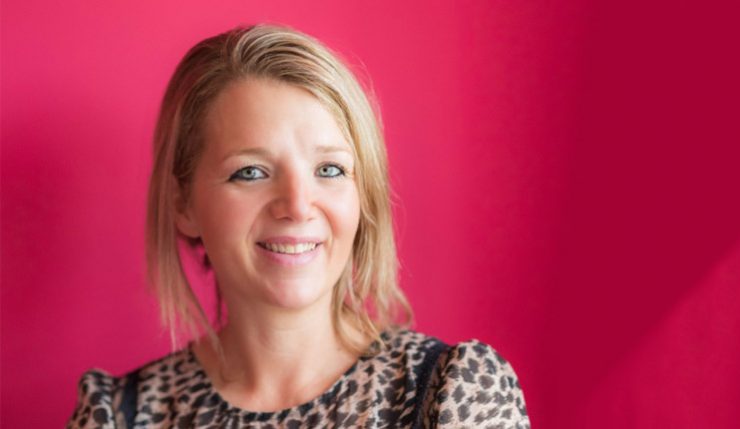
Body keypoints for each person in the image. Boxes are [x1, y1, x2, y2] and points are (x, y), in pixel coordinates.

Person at [68, 24, 530, 429]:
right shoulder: (117, 416)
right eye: (250, 172)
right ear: (183, 204)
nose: (297, 205)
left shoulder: (451, 393)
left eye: (329, 170)